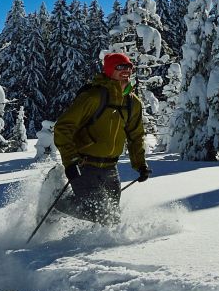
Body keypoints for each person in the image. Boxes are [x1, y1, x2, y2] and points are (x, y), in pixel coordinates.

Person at [52, 52, 152, 224]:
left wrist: (140, 165)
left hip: (110, 168)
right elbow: (63, 127)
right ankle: (56, 204)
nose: (126, 71)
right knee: (97, 213)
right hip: (84, 165)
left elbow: (136, 136)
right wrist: (70, 162)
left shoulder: (132, 103)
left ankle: (99, 249)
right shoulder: (93, 97)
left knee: (111, 219)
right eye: (120, 67)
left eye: (129, 67)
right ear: (108, 70)